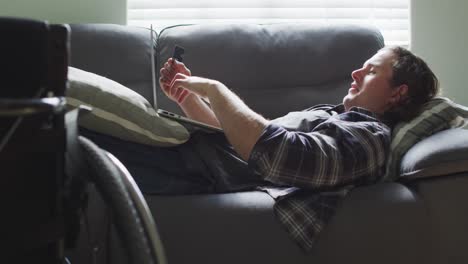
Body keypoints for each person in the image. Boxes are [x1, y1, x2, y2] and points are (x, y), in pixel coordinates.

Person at [84, 46, 439, 251]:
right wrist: (189, 99)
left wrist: (216, 89)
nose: (355, 73)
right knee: (66, 128)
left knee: (68, 135)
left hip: (193, 167)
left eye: (371, 71)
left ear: (398, 93)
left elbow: (277, 155)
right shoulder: (329, 114)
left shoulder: (368, 136)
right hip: (199, 155)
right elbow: (237, 143)